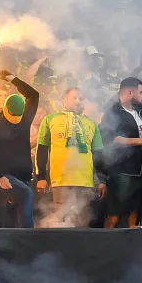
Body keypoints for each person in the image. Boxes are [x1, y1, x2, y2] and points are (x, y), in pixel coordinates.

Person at [0, 74, 40, 227]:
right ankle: (28, 237)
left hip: (24, 176)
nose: (16, 119)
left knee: (16, 215)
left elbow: (33, 95)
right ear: (5, 110)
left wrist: (12, 79)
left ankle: (19, 244)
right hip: (5, 177)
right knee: (26, 194)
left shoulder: (24, 121)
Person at [35, 88, 104, 227]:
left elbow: (98, 155)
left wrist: (101, 180)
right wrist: (41, 177)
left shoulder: (92, 124)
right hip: (60, 180)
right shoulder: (50, 119)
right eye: (74, 98)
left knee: (82, 222)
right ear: (64, 100)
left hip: (85, 182)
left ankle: (79, 249)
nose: (78, 101)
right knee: (60, 222)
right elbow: (41, 149)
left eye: (81, 98)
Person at [100, 77, 142, 228]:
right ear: (130, 92)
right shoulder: (113, 112)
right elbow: (110, 140)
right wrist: (140, 141)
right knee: (115, 213)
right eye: (141, 92)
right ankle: (104, 244)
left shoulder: (141, 112)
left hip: (141, 171)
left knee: (134, 211)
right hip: (122, 171)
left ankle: (131, 243)